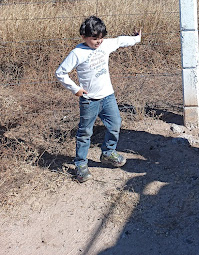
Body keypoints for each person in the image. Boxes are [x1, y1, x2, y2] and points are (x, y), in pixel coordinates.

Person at [56, 16, 142, 183]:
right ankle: (80, 165)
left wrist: (136, 38)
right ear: (84, 36)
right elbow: (60, 73)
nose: (98, 42)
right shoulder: (77, 53)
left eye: (101, 38)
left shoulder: (105, 44)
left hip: (108, 96)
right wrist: (76, 89)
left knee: (116, 123)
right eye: (94, 38)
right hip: (89, 100)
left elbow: (120, 41)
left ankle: (108, 153)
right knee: (85, 132)